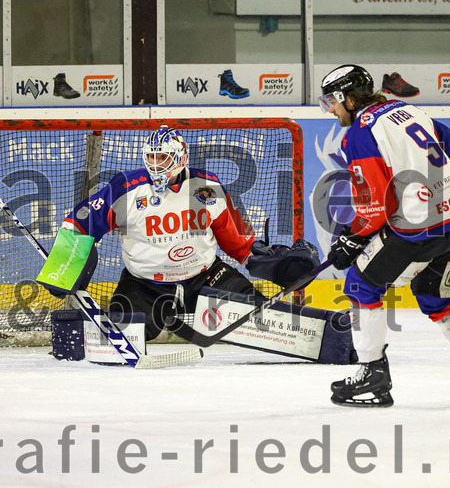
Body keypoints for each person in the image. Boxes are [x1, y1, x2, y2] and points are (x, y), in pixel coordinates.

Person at [319, 64, 450, 407]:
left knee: (361, 286)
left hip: (419, 225)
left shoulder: (359, 132)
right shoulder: (407, 110)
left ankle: (372, 373)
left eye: (331, 101)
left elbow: (376, 204)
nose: (330, 110)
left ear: (349, 98)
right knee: (437, 296)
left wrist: (352, 236)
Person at [50, 125, 316, 342]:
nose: (156, 165)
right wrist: (62, 267)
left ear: (181, 158)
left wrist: (274, 264)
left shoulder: (208, 187)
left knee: (263, 321)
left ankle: (315, 338)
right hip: (144, 285)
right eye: (151, 157)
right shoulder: (126, 188)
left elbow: (237, 242)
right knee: (120, 337)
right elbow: (78, 224)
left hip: (206, 277)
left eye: (163, 158)